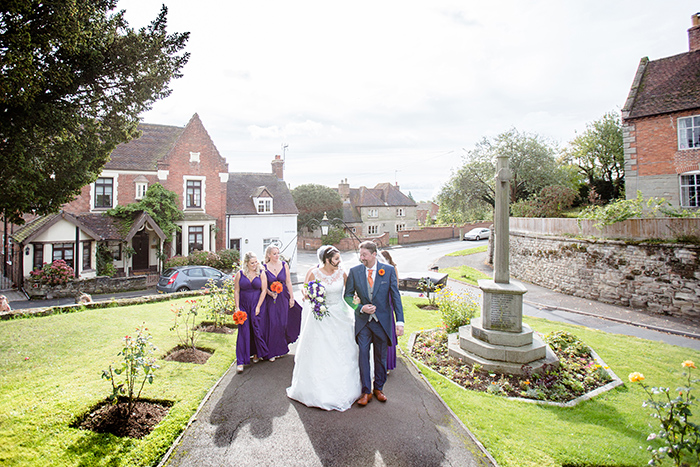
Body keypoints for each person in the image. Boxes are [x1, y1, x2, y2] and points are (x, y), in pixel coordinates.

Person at [286, 245, 361, 411]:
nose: (339, 261)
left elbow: (350, 293)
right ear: (326, 259)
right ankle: (316, 389)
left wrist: (357, 303)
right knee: (320, 351)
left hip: (340, 316)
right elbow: (305, 289)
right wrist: (309, 296)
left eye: (339, 258)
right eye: (336, 258)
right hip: (320, 317)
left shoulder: (342, 273)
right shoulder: (314, 273)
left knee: (343, 350)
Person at [344, 240, 404, 406]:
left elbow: (395, 297)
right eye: (360, 254)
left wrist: (400, 321)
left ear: (374, 254)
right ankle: (366, 391)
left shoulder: (389, 271)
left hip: (382, 323)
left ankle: (379, 388)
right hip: (363, 323)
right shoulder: (355, 272)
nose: (361, 257)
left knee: (381, 357)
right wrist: (361, 307)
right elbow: (347, 296)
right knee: (363, 355)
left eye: (364, 254)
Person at [234, 251, 269, 373]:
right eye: (252, 263)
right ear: (246, 263)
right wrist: (237, 307)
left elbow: (264, 290)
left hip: (256, 304)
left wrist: (258, 306)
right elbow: (236, 291)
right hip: (243, 305)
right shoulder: (240, 274)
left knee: (256, 329)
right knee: (243, 331)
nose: (255, 265)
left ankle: (256, 353)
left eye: (256, 262)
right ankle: (241, 361)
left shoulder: (261, 273)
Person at [262, 245, 295, 361]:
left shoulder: (284, 265)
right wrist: (270, 293)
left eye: (278, 253)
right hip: (271, 299)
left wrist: (291, 297)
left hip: (283, 297)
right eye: (274, 254)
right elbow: (263, 287)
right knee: (273, 323)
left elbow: (288, 282)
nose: (277, 256)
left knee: (282, 323)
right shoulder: (264, 267)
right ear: (269, 255)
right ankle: (271, 352)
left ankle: (281, 349)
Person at [379, 250, 400, 373]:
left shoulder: (392, 268)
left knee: (389, 329)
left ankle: (388, 363)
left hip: (388, 299)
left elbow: (395, 285)